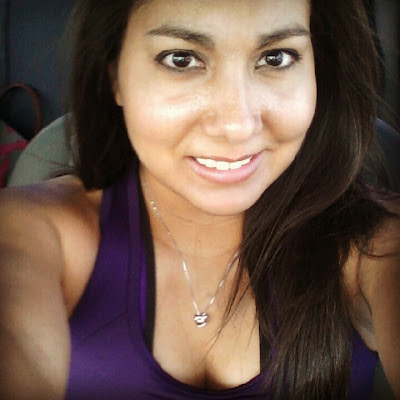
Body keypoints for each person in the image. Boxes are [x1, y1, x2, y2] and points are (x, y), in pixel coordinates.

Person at [0, 0, 399, 399]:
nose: (237, 125)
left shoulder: (374, 245)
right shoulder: (30, 233)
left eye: (276, 58)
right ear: (115, 75)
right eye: (181, 59)